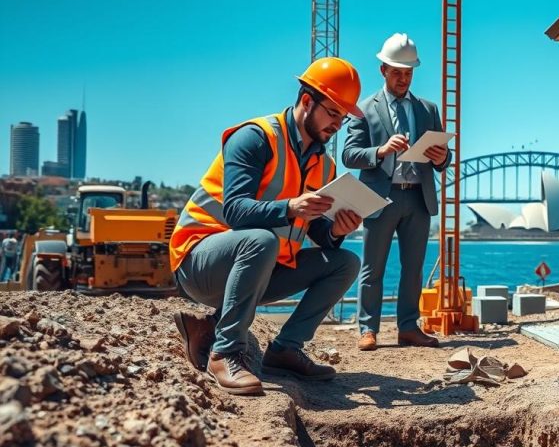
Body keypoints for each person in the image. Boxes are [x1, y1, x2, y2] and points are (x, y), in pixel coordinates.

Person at [169, 57, 365, 396]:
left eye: (343, 117)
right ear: (307, 101)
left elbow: (317, 235)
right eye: (333, 113)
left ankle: (285, 349)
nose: (337, 123)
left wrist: (337, 229)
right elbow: (235, 210)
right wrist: (290, 207)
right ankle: (225, 351)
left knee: (345, 262)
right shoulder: (255, 137)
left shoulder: (324, 166)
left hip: (258, 268)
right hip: (198, 261)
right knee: (260, 241)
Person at [342, 33, 451, 351]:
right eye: (397, 72)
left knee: (413, 268)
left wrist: (443, 157)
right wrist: (380, 150)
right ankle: (367, 329)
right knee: (372, 267)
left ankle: (408, 327)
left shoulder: (428, 109)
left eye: (408, 72)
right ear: (383, 70)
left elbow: (443, 155)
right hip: (380, 198)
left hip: (418, 197)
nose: (403, 78)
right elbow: (349, 154)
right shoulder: (364, 110)